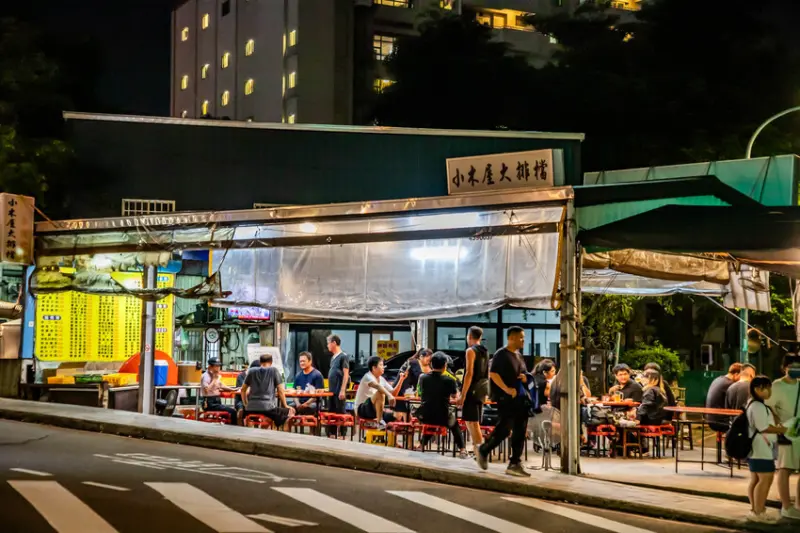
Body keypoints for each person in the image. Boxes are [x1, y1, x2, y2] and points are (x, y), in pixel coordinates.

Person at [476, 326, 531, 478]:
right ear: (511, 338)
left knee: (520, 430)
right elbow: (493, 374)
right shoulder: (501, 354)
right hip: (506, 399)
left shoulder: (519, 356)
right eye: (521, 337)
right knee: (505, 428)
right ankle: (484, 449)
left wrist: (525, 378)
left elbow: (523, 373)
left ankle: (515, 462)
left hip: (520, 399)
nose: (523, 340)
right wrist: (506, 389)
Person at [746, 376, 786, 523]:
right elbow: (763, 427)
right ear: (757, 389)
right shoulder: (758, 406)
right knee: (765, 478)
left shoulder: (752, 404)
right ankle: (759, 512)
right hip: (761, 447)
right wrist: (782, 430)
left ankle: (755, 510)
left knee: (756, 479)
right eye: (767, 388)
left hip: (756, 447)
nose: (770, 391)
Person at [766, 354, 800, 521]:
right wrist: (779, 425)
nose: (796, 370)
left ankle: (798, 505)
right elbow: (768, 407)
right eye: (792, 367)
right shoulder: (777, 386)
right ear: (784, 367)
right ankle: (786, 506)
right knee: (785, 468)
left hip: (799, 432)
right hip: (787, 432)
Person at [418, 351, 467, 458]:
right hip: (443, 417)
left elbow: (421, 393)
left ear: (431, 364)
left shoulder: (422, 377)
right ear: (445, 365)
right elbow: (454, 396)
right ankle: (462, 449)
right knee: (455, 424)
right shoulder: (449, 380)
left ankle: (422, 445)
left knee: (432, 417)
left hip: (424, 415)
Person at [241, 353, 295, 430]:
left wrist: (246, 404)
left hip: (250, 408)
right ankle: (284, 434)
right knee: (290, 411)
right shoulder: (274, 370)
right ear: (271, 362)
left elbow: (243, 390)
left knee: (271, 415)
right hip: (268, 408)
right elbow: (280, 390)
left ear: (260, 362)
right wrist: (285, 405)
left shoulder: (251, 371)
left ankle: (264, 430)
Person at [458, 326, 490, 456]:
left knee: (473, 422)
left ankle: (481, 453)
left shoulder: (470, 351)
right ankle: (477, 451)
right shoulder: (485, 351)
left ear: (469, 336)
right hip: (482, 389)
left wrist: (463, 395)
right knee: (471, 421)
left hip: (472, 390)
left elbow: (469, 373)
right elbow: (487, 372)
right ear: (480, 337)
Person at [354, 356, 407, 426]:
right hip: (362, 409)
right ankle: (380, 423)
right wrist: (389, 395)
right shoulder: (367, 377)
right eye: (381, 365)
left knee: (397, 415)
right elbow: (378, 386)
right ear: (374, 368)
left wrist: (401, 379)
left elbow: (393, 394)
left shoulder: (381, 379)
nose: (383, 367)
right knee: (380, 393)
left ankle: (381, 427)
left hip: (376, 409)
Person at [394, 348, 432, 421]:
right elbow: (418, 377)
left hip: (407, 390)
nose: (429, 361)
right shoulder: (414, 362)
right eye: (427, 358)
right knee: (401, 415)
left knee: (406, 414)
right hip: (401, 390)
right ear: (421, 356)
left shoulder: (418, 363)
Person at [706, 362, 743, 432]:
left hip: (710, 419)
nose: (741, 380)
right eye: (741, 377)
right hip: (720, 421)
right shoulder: (730, 384)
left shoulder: (718, 379)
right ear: (736, 374)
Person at [326, 334, 350, 439]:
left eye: (328, 343)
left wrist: (342, 390)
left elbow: (346, 374)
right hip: (332, 390)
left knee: (340, 411)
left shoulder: (343, 356)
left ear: (334, 343)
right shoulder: (333, 358)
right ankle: (332, 433)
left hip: (339, 390)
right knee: (331, 411)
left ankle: (342, 434)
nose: (327, 346)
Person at [201, 358, 239, 424]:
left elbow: (221, 385)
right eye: (216, 366)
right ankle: (234, 428)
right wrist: (214, 379)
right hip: (209, 403)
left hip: (217, 401)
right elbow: (206, 390)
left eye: (219, 366)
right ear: (210, 366)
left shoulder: (216, 375)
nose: (218, 368)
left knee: (229, 413)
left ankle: (228, 427)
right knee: (232, 412)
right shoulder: (205, 376)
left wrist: (233, 389)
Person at [235, 360, 261, 424]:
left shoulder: (258, 376)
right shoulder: (241, 376)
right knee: (241, 408)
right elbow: (243, 390)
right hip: (241, 400)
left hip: (254, 400)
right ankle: (239, 425)